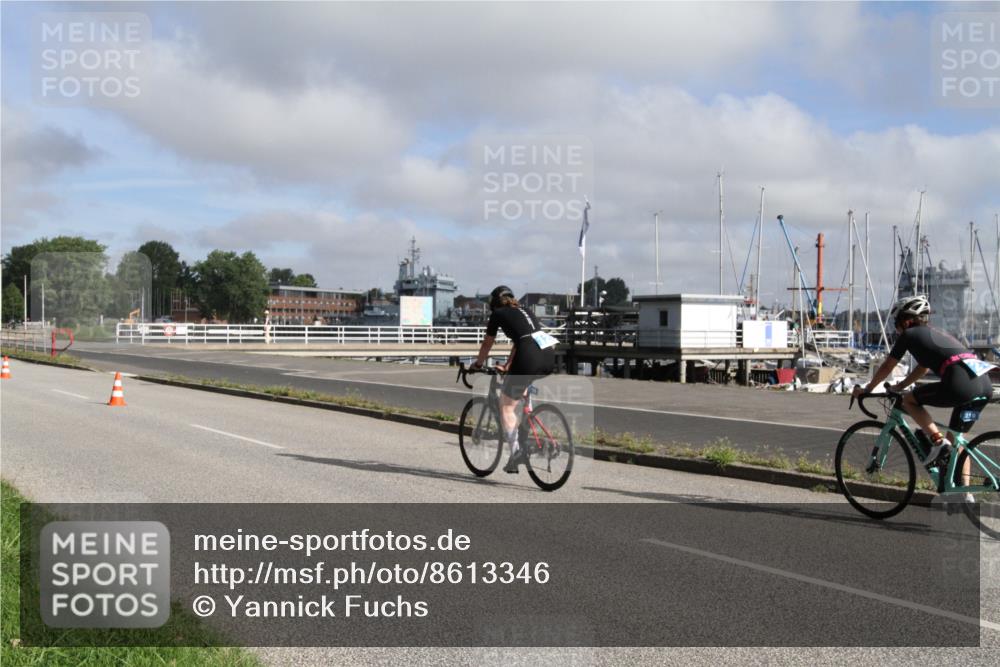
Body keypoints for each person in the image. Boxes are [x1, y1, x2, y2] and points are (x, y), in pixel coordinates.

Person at [853, 295, 993, 474]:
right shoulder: (936, 332)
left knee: (908, 400)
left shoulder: (909, 335)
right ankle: (962, 489)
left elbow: (888, 366)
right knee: (956, 443)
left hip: (961, 384)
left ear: (906, 320)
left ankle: (938, 441)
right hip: (984, 385)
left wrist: (867, 389)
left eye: (896, 322)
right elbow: (923, 368)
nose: (896, 327)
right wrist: (900, 386)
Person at [472, 285, 556, 473]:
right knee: (522, 385)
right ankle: (528, 427)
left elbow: (487, 343)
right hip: (548, 354)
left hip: (529, 356)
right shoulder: (525, 310)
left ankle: (516, 453)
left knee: (506, 406)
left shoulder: (498, 314)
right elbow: (521, 341)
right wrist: (509, 365)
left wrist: (477, 364)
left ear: (494, 303)